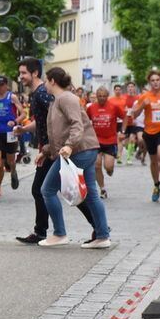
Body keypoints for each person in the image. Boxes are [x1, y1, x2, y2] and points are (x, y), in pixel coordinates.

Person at [14, 58, 95, 244]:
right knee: (64, 190)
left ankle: (49, 232)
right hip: (52, 148)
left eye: (23, 73)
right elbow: (45, 122)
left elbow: (59, 120)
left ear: (35, 73)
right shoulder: (38, 94)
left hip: (59, 149)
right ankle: (96, 227)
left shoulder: (43, 94)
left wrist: (54, 147)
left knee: (55, 190)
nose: (21, 77)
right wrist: (25, 130)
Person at [39, 67, 110, 248]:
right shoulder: (59, 100)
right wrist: (47, 150)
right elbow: (59, 132)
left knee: (47, 190)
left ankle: (59, 234)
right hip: (83, 149)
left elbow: (76, 126)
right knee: (91, 195)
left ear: (52, 81)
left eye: (46, 80)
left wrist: (69, 145)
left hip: (79, 150)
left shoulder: (66, 98)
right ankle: (102, 236)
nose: (45, 84)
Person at [127, 69, 160, 202]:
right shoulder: (145, 97)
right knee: (154, 160)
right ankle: (156, 185)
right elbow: (135, 114)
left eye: (157, 80)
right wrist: (141, 107)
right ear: (149, 82)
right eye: (153, 80)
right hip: (150, 132)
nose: (155, 82)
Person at [0, 75, 23, 199]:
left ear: (6, 85)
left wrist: (15, 121)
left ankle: (13, 171)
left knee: (10, 161)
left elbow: (23, 113)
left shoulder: (11, 97)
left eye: (2, 85)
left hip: (10, 133)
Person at [86, 87, 125, 199]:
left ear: (107, 96)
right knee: (97, 165)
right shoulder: (91, 108)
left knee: (108, 167)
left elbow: (125, 117)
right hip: (96, 141)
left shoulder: (114, 107)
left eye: (104, 96)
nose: (102, 98)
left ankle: (110, 170)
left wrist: (122, 131)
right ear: (96, 96)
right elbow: (84, 120)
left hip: (110, 140)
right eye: (100, 96)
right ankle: (102, 189)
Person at [123, 81, 146, 165]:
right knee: (126, 143)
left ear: (135, 88)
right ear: (127, 88)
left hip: (136, 123)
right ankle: (134, 150)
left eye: (132, 86)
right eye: (129, 87)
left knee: (134, 140)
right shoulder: (123, 97)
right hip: (126, 121)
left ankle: (129, 157)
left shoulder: (138, 98)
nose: (130, 88)